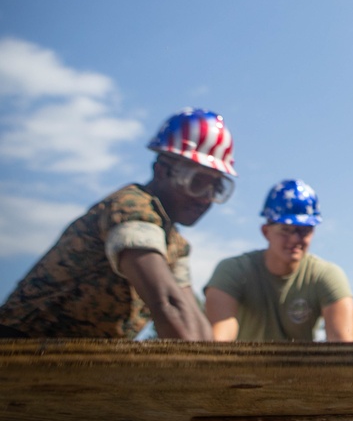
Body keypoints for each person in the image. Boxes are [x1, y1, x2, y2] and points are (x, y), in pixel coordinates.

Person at [0, 108, 237, 340]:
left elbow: (191, 318)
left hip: (73, 364)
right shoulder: (131, 209)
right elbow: (166, 304)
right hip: (18, 352)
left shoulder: (175, 243)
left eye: (216, 188)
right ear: (162, 171)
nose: (205, 198)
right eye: (197, 182)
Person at [204, 179, 353, 342]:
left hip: (303, 367)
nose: (295, 239)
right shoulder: (233, 271)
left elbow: (343, 343)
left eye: (304, 231)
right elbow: (219, 339)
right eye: (286, 230)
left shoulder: (326, 276)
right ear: (266, 231)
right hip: (242, 366)